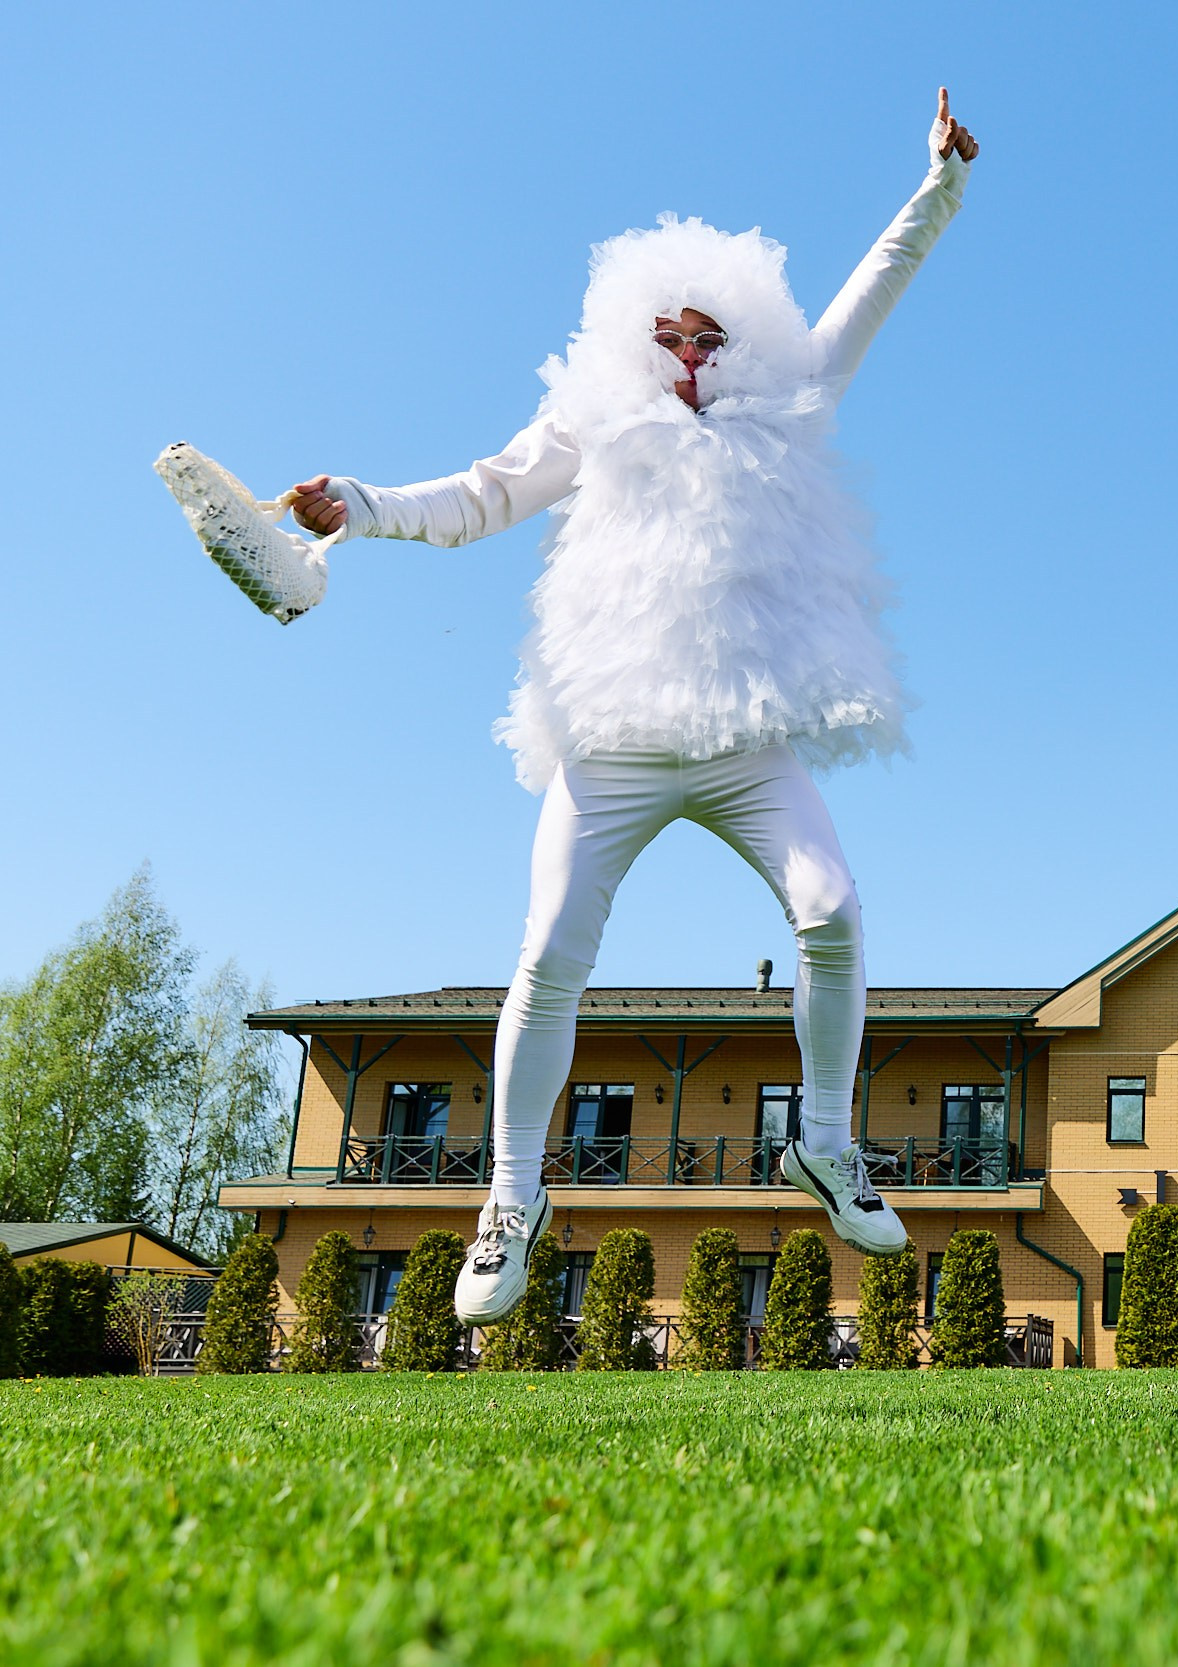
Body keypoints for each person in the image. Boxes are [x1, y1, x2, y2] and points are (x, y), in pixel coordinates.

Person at [289, 91, 981, 1323]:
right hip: (611, 741)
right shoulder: (590, 418)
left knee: (830, 907)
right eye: (671, 334)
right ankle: (509, 1197)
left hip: (741, 739)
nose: (691, 353)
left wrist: (936, 188)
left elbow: (871, 291)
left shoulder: (791, 399)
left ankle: (823, 1140)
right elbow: (480, 495)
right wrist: (358, 498)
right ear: (636, 339)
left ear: (743, 344)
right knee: (550, 950)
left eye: (711, 335)